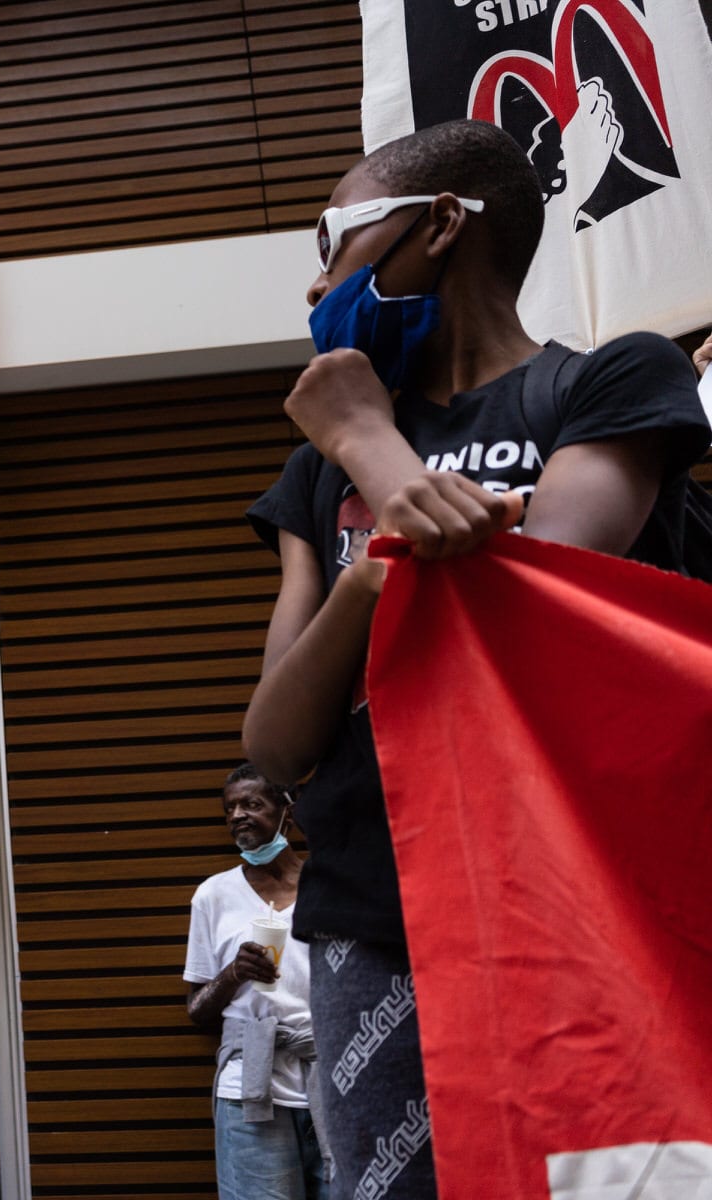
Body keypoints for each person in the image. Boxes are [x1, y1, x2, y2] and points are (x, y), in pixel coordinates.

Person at [243, 119, 709, 1197]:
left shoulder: (611, 383)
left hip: (590, 892)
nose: (320, 280)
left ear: (443, 224)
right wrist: (369, 573)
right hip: (381, 910)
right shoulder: (312, 478)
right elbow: (274, 739)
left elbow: (536, 598)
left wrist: (366, 440)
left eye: (334, 237)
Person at [185, 764, 325, 1200]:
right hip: (249, 1090)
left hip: (332, 1077)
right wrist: (235, 972)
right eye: (230, 809)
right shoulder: (214, 896)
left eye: (252, 804)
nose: (237, 816)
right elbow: (197, 1011)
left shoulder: (327, 886)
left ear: (288, 809)